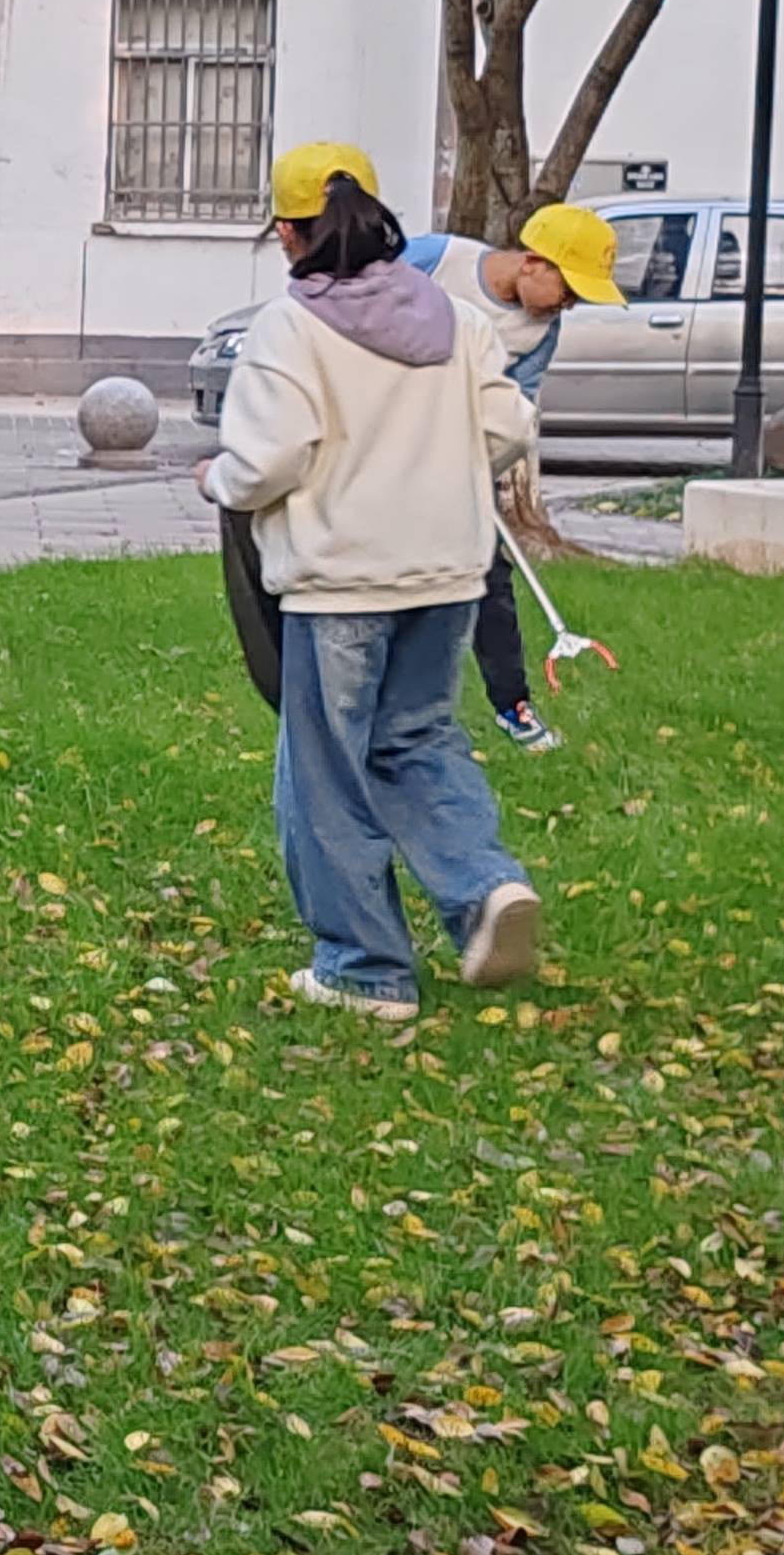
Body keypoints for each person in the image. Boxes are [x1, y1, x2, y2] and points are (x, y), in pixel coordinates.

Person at [204, 143, 547, 1026]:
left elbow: (271, 458)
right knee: (419, 740)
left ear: (289, 232)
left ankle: (365, 968)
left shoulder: (291, 325)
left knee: (323, 771)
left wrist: (222, 482)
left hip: (340, 578)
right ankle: (487, 890)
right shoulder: (455, 317)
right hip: (447, 573)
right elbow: (508, 426)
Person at [401, 203, 623, 750]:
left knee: (489, 581)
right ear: (532, 263)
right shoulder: (435, 260)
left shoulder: (540, 333)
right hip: (383, 446)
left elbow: (515, 413)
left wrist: (478, 460)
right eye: (567, 288)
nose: (568, 304)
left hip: (456, 463)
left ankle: (512, 705)